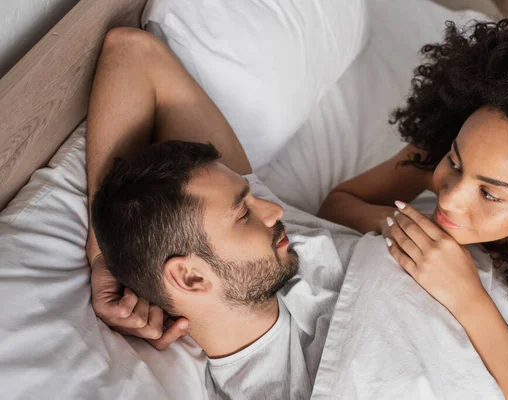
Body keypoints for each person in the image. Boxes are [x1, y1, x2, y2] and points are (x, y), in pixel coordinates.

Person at [318, 14, 508, 399]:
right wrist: (406, 230)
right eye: (455, 162)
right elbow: (338, 203)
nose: (449, 197)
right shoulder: (450, 147)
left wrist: (469, 299)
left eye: (489, 194)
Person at [85, 27, 361, 399]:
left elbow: (132, 51)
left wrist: (102, 252)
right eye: (243, 214)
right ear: (191, 277)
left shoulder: (269, 239)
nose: (273, 209)